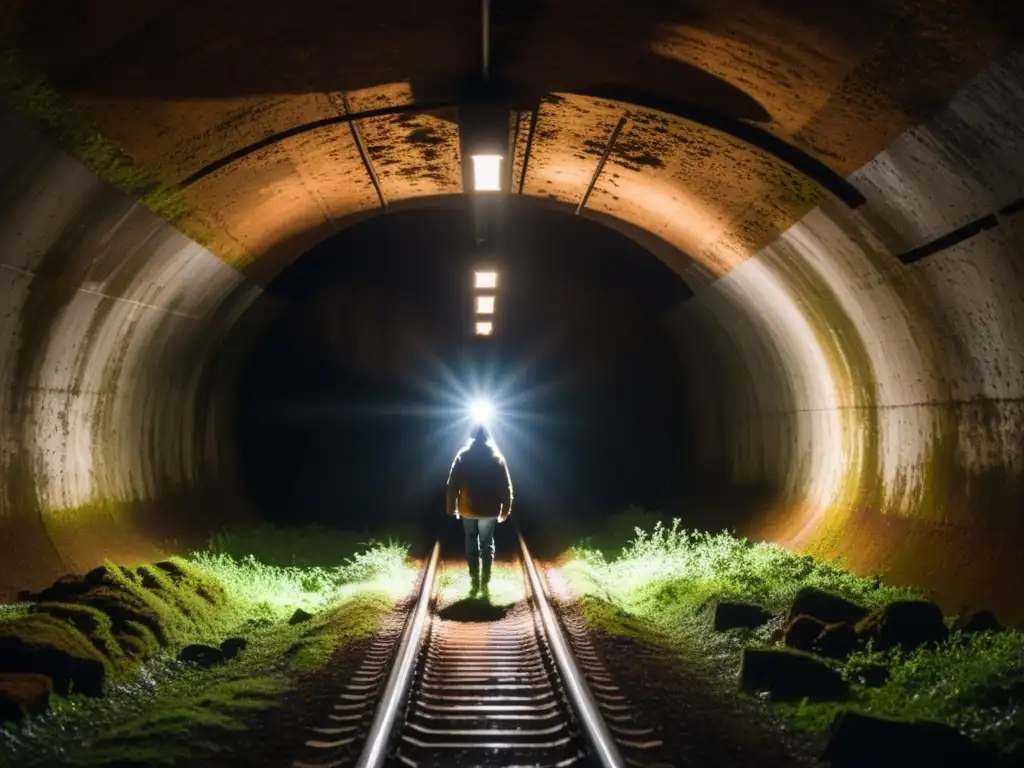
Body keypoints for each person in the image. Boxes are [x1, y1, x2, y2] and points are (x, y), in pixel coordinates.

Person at [445, 424, 513, 597]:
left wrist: (451, 507)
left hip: (467, 508)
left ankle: (474, 580)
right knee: (486, 543)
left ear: (472, 436)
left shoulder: (463, 456)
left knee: (470, 540)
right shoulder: (496, 457)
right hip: (490, 509)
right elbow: (505, 487)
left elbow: (452, 484)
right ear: (488, 437)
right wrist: (505, 509)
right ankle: (485, 582)